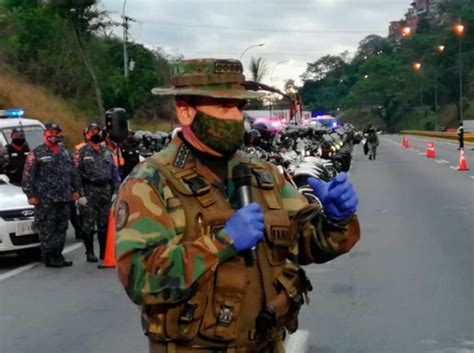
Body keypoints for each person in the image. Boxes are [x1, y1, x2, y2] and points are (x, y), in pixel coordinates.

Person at [114, 58, 360, 353]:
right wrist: (223, 242)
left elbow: (307, 243)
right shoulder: (150, 182)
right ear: (185, 111)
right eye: (223, 107)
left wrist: (334, 219)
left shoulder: (263, 174)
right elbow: (140, 279)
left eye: (239, 107)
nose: (234, 117)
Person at [22, 122, 80, 268]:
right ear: (45, 134)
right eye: (50, 132)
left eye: (56, 133)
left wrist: (76, 190)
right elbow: (28, 176)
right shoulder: (36, 153)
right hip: (44, 199)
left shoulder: (64, 152)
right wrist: (30, 195)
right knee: (47, 228)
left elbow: (73, 172)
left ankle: (58, 254)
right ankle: (49, 256)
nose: (53, 135)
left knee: (61, 227)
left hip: (64, 197)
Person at [74, 123, 121, 263]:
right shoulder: (81, 152)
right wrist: (79, 193)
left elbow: (114, 171)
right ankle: (89, 252)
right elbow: (76, 174)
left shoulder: (106, 151)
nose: (96, 134)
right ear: (87, 134)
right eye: (93, 131)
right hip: (89, 190)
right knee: (88, 224)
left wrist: (117, 189)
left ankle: (103, 252)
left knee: (104, 223)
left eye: (98, 131)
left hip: (105, 190)